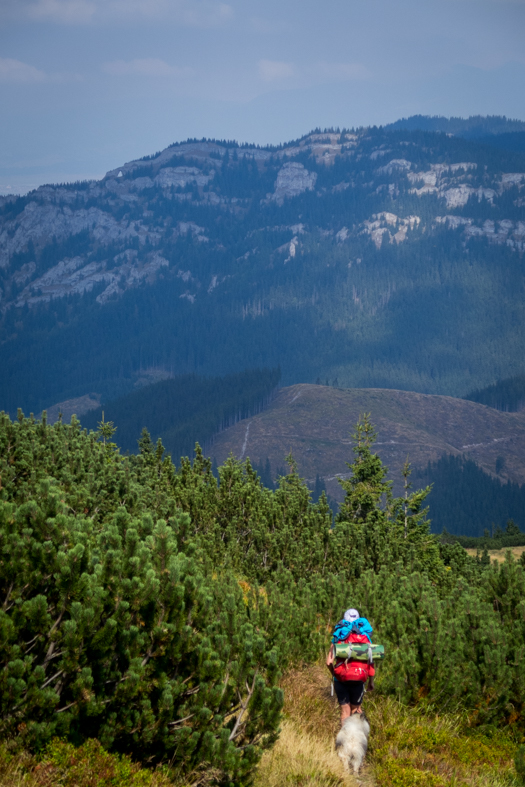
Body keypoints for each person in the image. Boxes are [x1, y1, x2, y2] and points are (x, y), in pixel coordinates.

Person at [326, 607, 375, 725]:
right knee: (356, 711)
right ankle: (357, 740)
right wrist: (371, 681)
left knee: (345, 712)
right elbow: (371, 661)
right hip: (359, 678)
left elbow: (329, 662)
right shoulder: (365, 638)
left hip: (341, 679)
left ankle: (345, 741)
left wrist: (334, 674)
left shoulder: (338, 636)